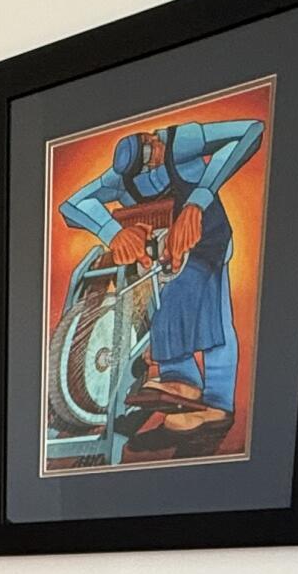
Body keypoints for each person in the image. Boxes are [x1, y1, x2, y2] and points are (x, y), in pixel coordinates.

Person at [57, 117, 265, 434]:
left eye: (152, 153)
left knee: (213, 313)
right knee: (160, 306)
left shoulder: (182, 141)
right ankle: (182, 382)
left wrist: (199, 199)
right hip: (163, 253)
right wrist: (111, 233)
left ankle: (219, 404)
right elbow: (71, 206)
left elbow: (252, 130)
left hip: (207, 238)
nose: (152, 160)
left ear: (152, 143)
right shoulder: (120, 178)